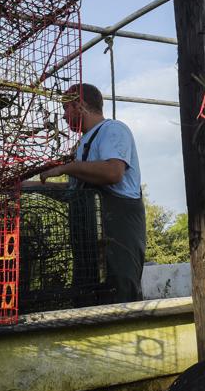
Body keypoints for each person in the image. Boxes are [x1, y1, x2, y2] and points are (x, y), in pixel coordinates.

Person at [40, 83, 146, 303]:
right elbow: (76, 191)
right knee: (87, 301)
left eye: (66, 109)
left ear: (80, 105)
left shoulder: (113, 129)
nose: (64, 116)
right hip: (89, 245)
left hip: (118, 235)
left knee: (119, 298)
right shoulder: (82, 144)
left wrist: (65, 168)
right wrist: (32, 186)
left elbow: (113, 172)